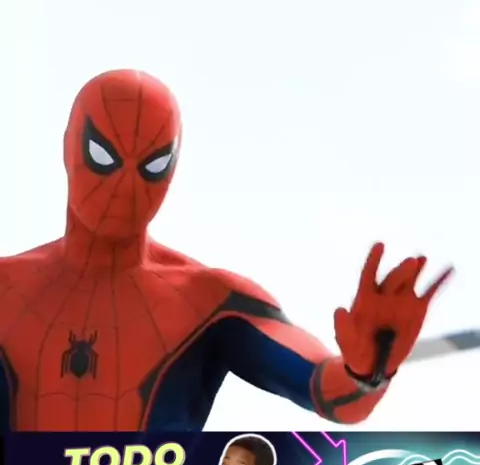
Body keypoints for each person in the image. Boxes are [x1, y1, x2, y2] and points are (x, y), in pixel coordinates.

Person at [0, 69, 453, 431]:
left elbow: (328, 390)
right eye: (104, 156)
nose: (125, 185)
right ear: (69, 145)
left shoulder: (207, 300)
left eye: (153, 165)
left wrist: (367, 371)